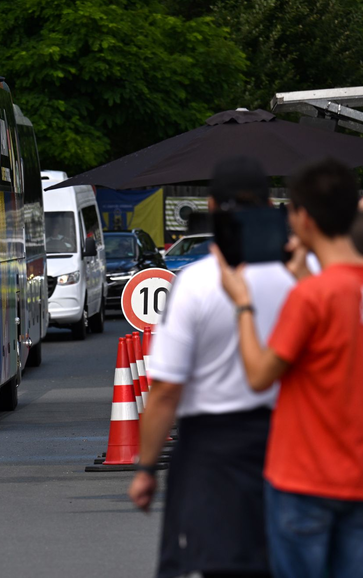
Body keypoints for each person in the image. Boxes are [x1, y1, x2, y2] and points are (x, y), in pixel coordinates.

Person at [128, 157, 295, 578]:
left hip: (210, 450)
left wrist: (147, 468)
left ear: (211, 207)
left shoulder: (196, 283)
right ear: (269, 205)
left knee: (208, 561)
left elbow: (166, 390)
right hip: (285, 443)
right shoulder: (297, 281)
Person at [214, 158, 363, 578]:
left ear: (302, 218)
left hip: (305, 478)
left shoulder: (311, 298)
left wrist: (244, 304)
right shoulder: (360, 285)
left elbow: (260, 374)